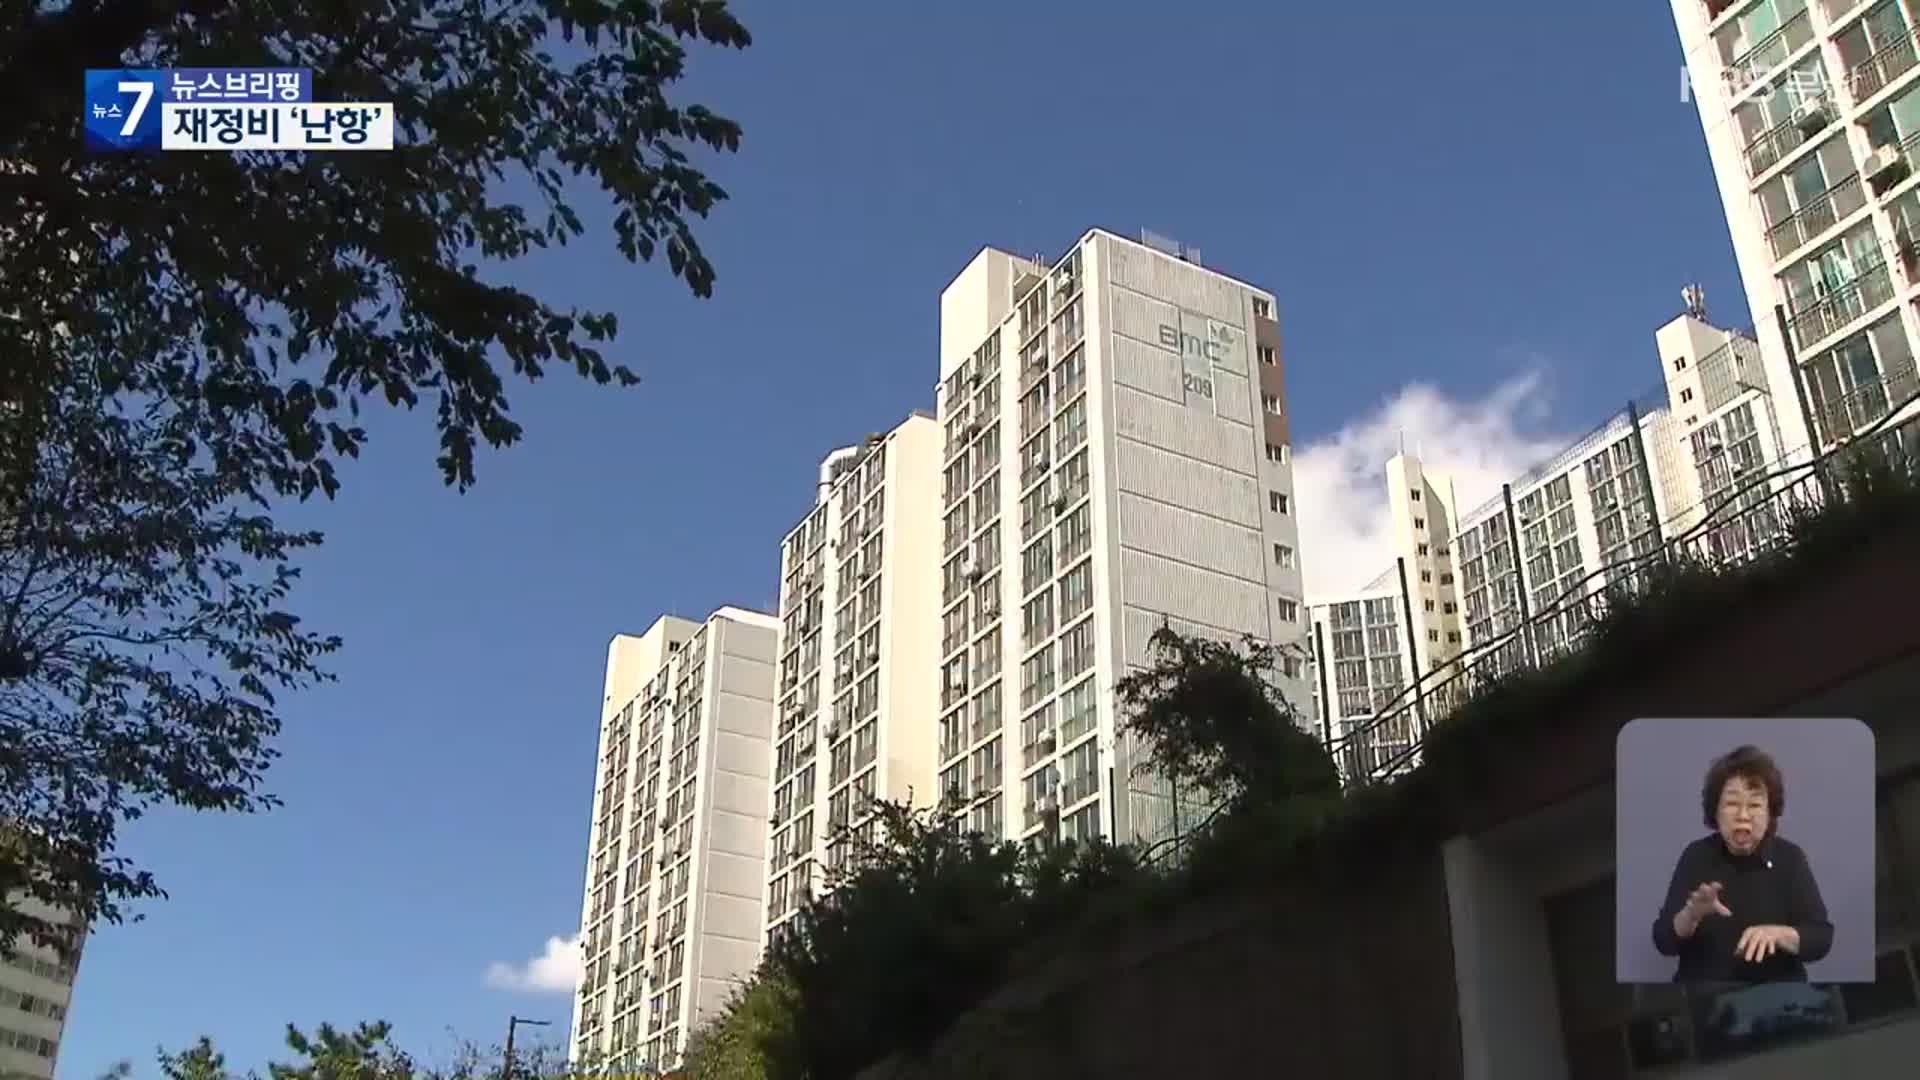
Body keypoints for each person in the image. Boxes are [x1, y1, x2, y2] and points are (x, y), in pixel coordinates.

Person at [1651, 744, 1833, 982]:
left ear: (1770, 814)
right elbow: (1663, 941)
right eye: (1732, 804)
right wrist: (1691, 915)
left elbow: (1821, 937)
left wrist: (1778, 934)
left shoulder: (1789, 858)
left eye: (1755, 805)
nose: (1743, 815)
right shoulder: (1697, 856)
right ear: (1715, 811)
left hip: (1777, 1000)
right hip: (1707, 1001)